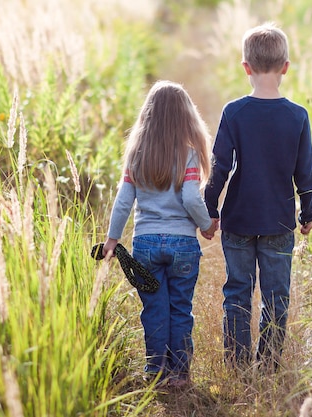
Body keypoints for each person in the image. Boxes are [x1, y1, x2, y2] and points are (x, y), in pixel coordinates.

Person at [204, 22, 312, 372]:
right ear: (285, 66)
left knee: (237, 292)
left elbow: (219, 166)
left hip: (237, 218)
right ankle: (267, 365)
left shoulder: (234, 112)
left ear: (246, 67)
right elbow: (305, 172)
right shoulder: (297, 116)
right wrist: (307, 212)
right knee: (276, 296)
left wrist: (209, 209)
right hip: (279, 220)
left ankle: (236, 365)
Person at [102, 80, 218, 387]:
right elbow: (192, 198)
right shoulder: (189, 155)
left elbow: (124, 201)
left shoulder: (136, 155)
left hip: (146, 245)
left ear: (147, 115)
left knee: (153, 309)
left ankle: (155, 371)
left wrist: (112, 239)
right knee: (180, 308)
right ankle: (179, 374)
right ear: (185, 117)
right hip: (182, 243)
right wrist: (206, 225)